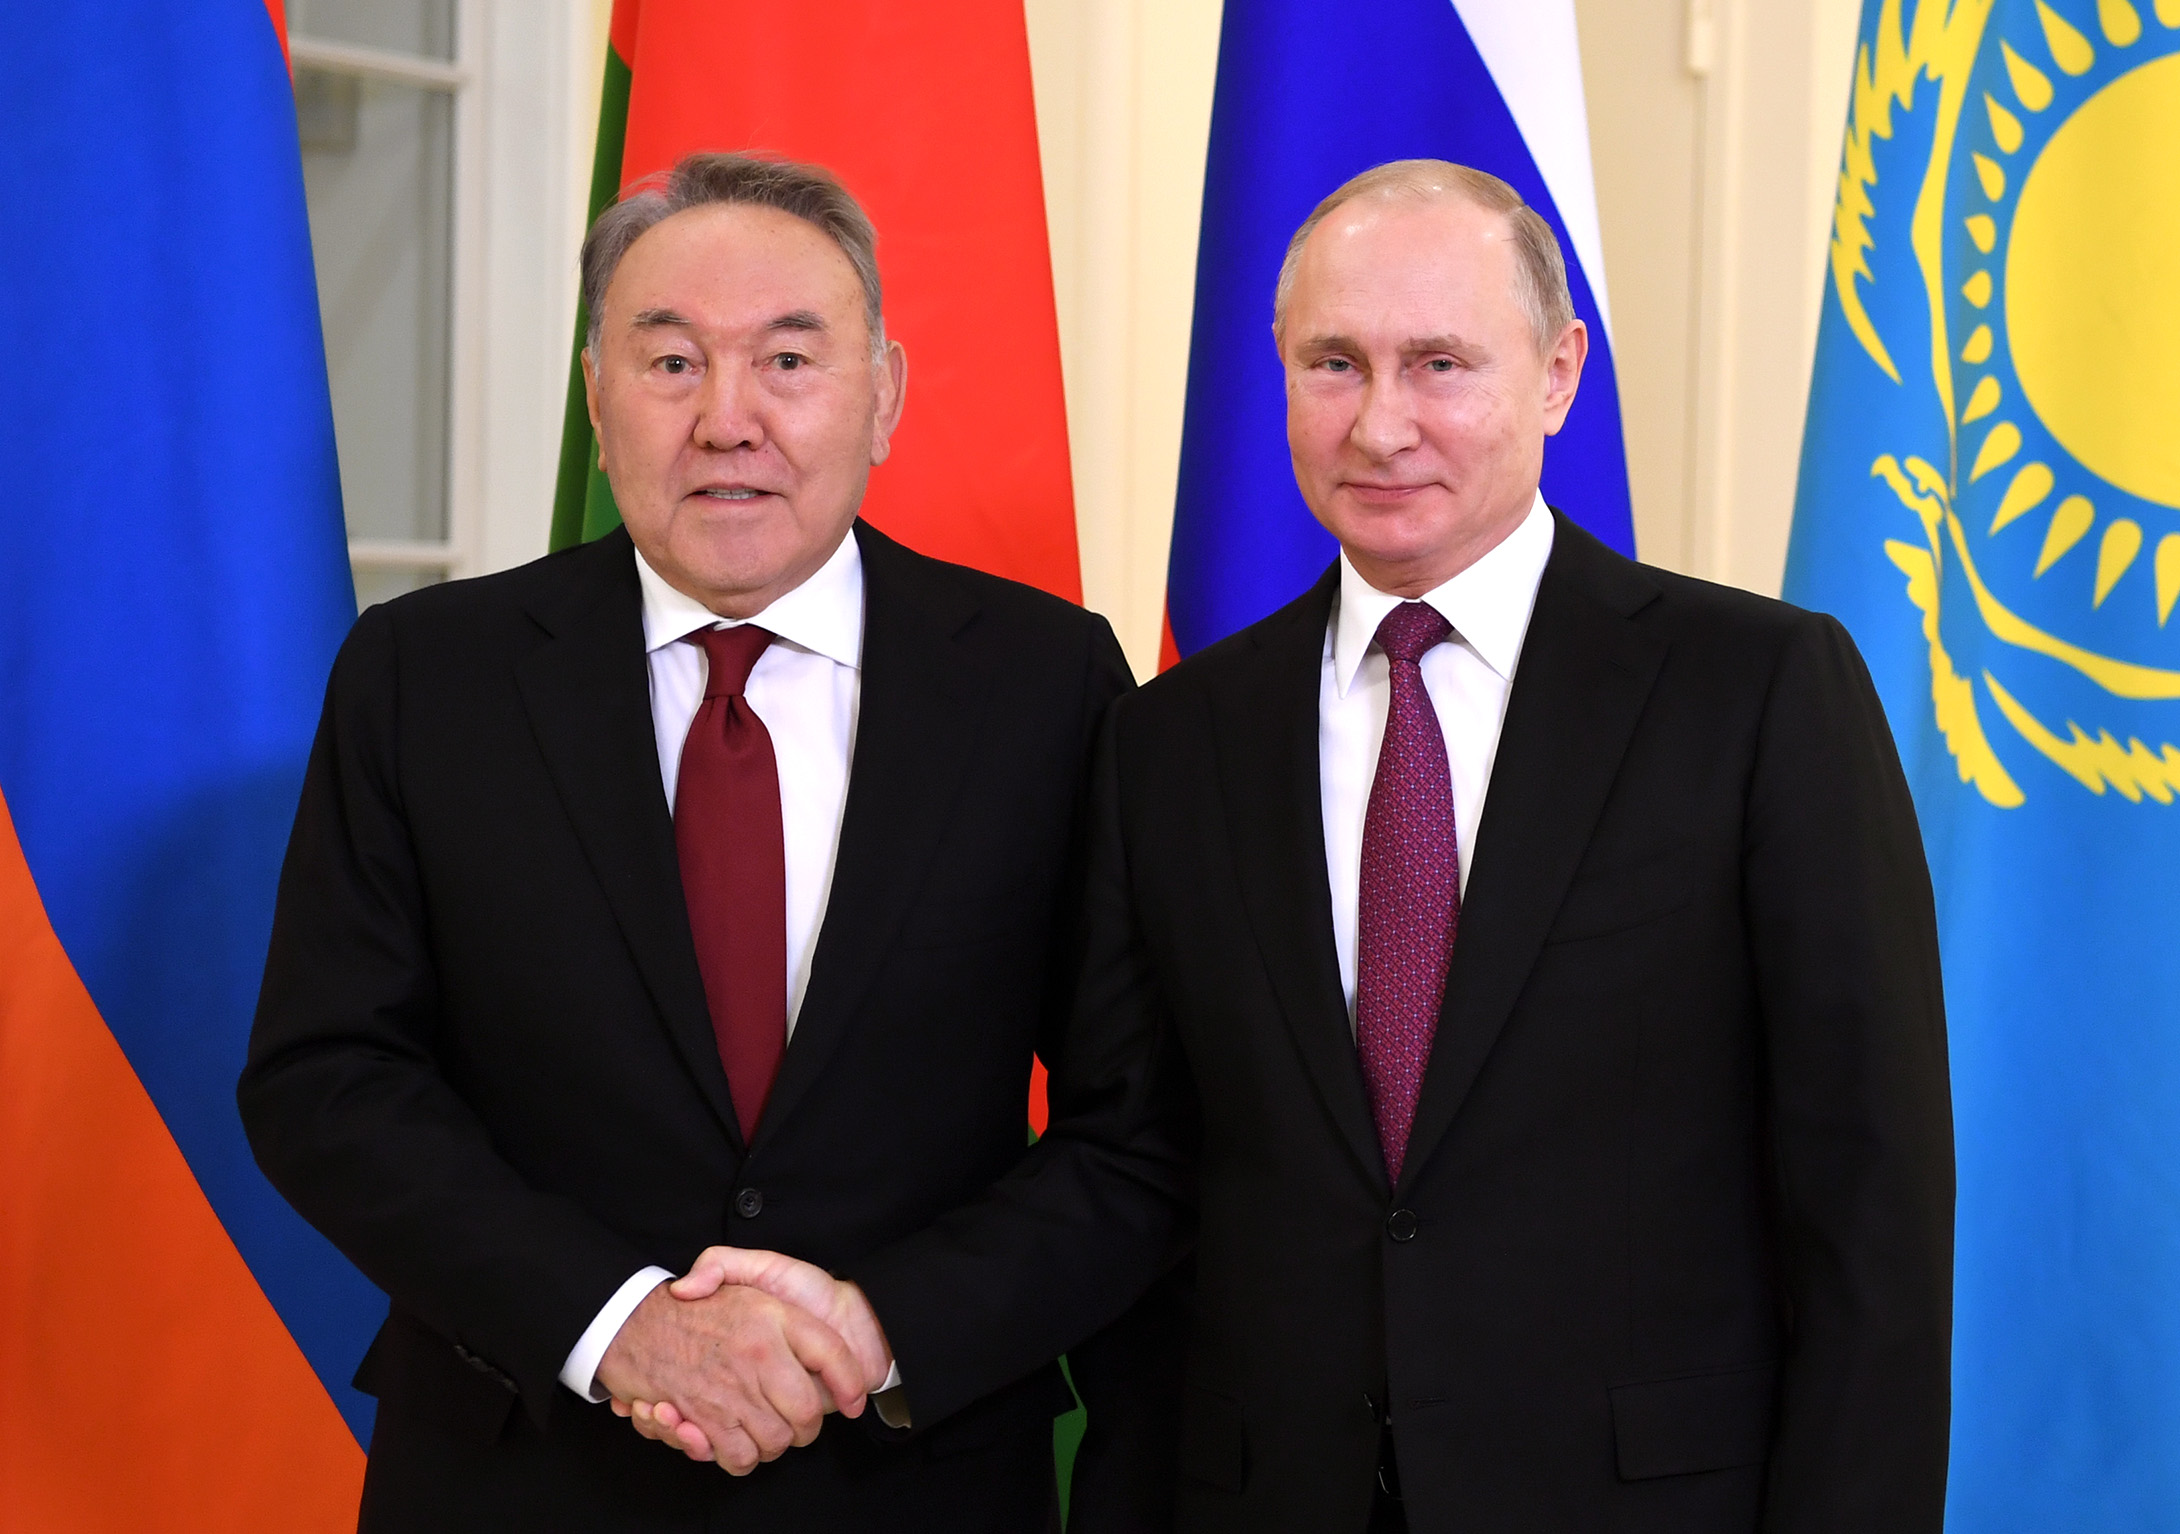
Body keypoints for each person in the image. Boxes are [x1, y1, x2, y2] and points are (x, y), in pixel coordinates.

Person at [660, 160, 1956, 1532]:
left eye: (1440, 363)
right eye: (1333, 364)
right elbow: (1143, 1167)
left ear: (1559, 374)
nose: (1382, 424)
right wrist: (885, 1328)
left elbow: (1868, 1196)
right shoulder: (1174, 741)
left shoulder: (1754, 691)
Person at [238, 151, 1134, 1531]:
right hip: (521, 1471)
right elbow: (326, 1078)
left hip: (914, 1474)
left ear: (883, 395)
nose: (728, 419)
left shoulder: (1045, 683)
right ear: (598, 403)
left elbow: (1138, 1120)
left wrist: (877, 1328)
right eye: (670, 363)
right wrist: (619, 1325)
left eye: (788, 360)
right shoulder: (426, 676)